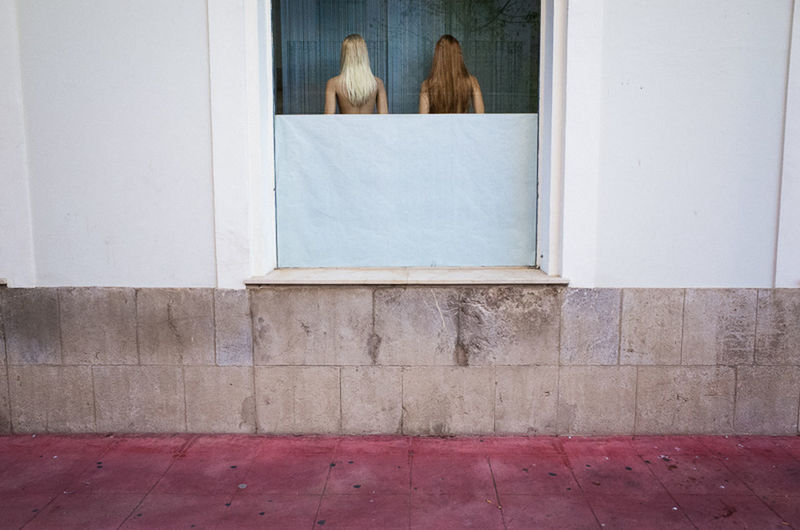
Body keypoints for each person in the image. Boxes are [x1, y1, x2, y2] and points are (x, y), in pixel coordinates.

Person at [419, 35, 484, 114]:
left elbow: (423, 120)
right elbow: (481, 115)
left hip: (437, 126)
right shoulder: (472, 82)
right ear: (458, 55)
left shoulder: (427, 85)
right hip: (463, 126)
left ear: (438, 56)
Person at [325, 34, 388, 114]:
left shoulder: (333, 83)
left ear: (345, 54)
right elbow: (385, 117)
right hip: (370, 126)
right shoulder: (378, 83)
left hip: (345, 126)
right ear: (364, 54)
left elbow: (328, 119)